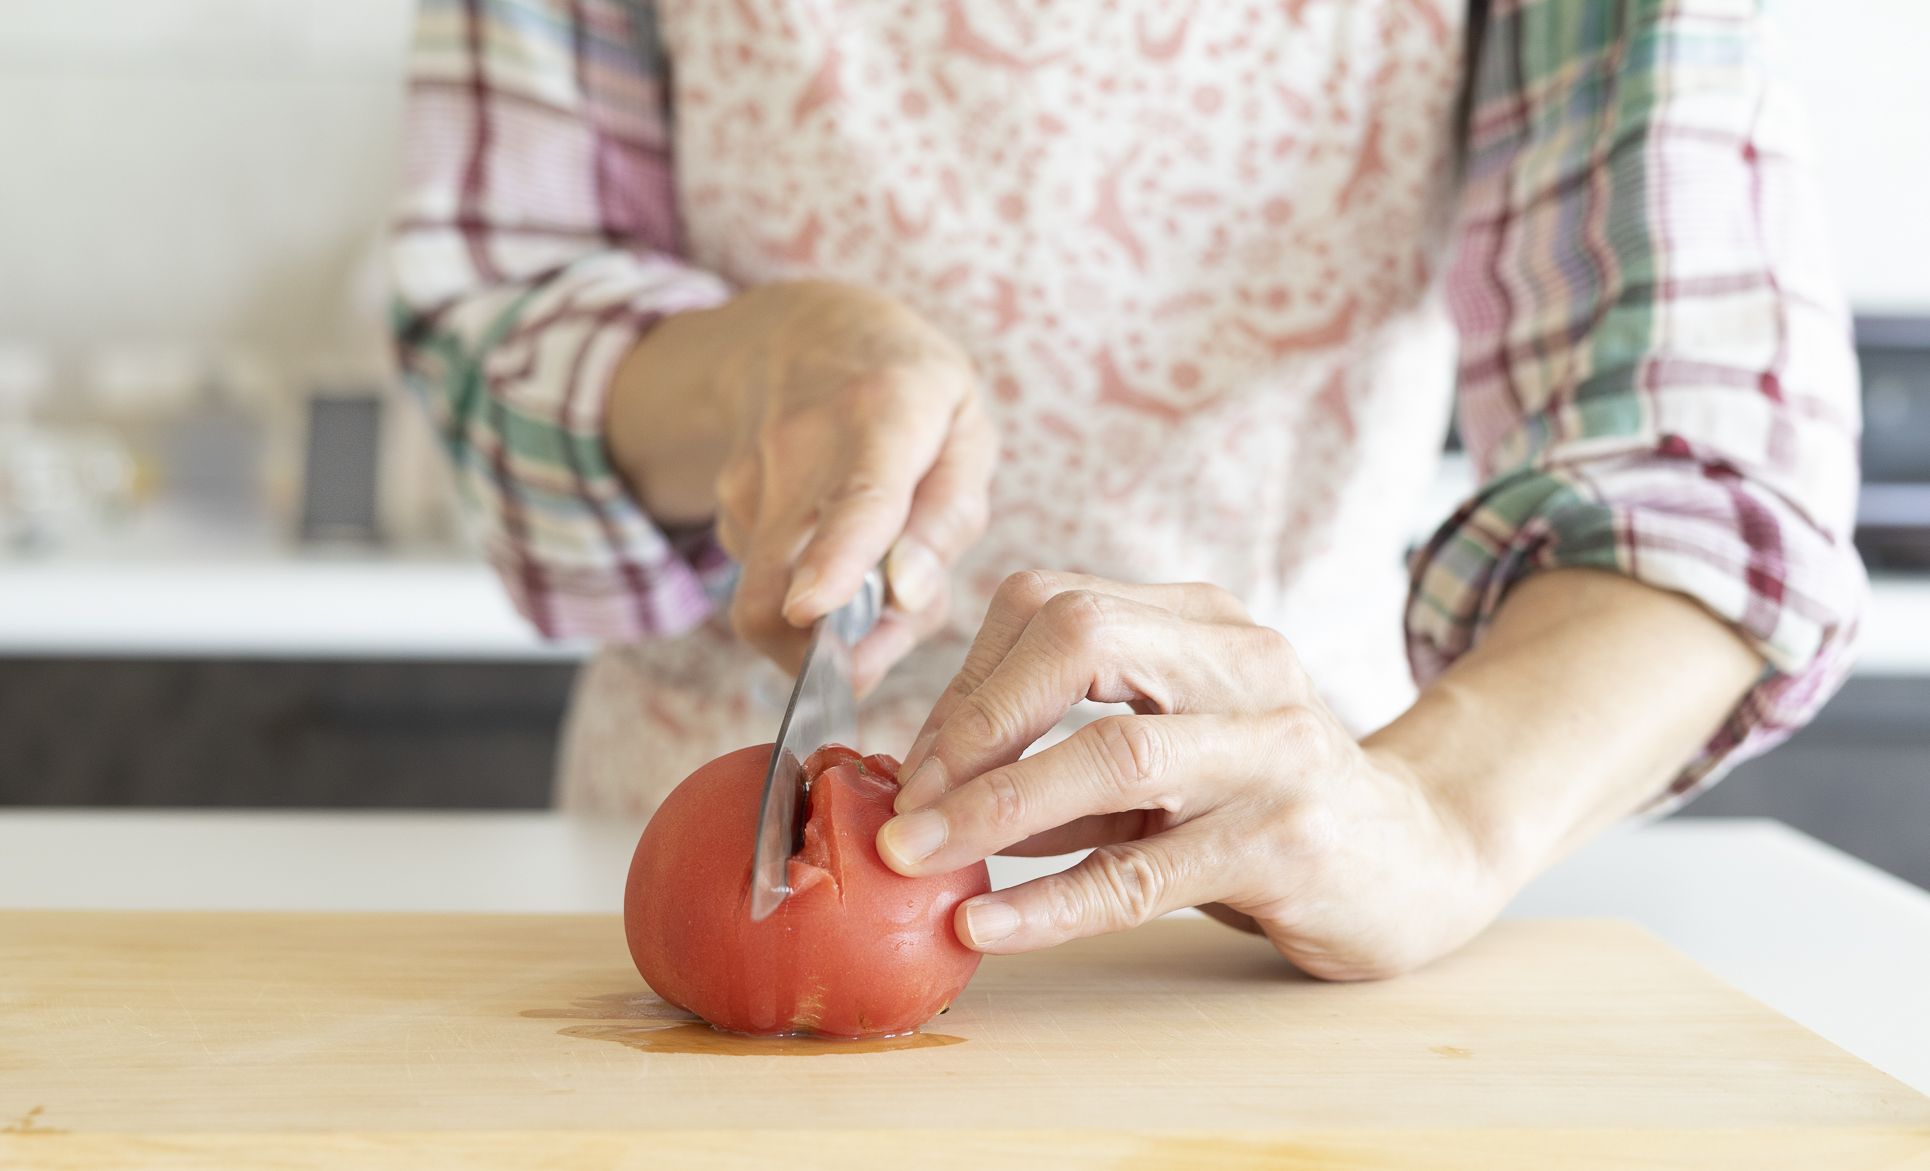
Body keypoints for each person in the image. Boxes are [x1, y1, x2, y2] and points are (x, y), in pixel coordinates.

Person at [391, 0, 1864, 981]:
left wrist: (1434, 814)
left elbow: (1710, 461)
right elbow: (490, 325)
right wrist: (746, 369)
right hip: (686, 808)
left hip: (1275, 885)